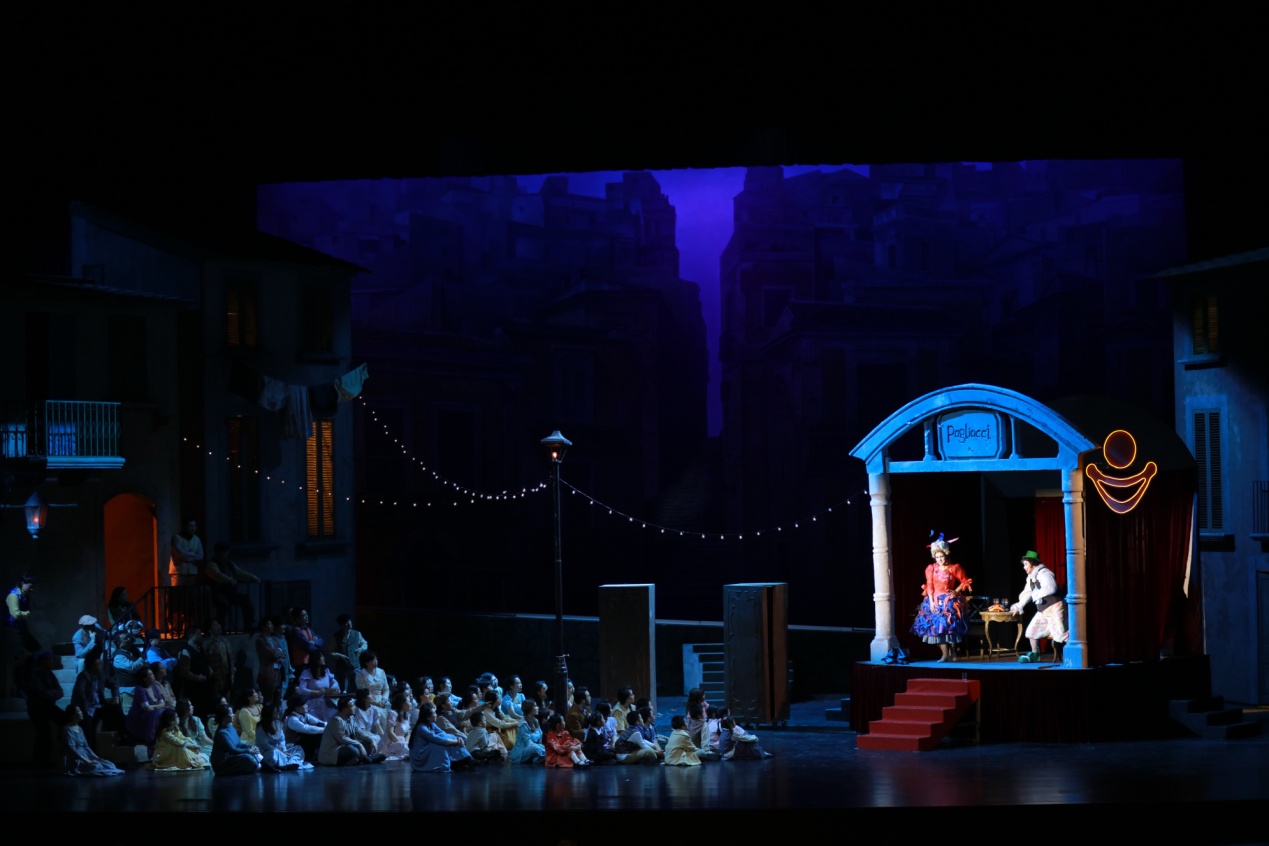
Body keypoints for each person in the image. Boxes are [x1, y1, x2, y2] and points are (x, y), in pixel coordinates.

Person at [910, 535, 972, 662]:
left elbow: (965, 581)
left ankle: (953, 651)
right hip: (935, 600)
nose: (939, 559)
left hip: (949, 600)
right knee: (937, 627)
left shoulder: (954, 568)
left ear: (946, 555)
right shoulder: (931, 569)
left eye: (941, 556)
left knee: (950, 626)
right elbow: (929, 586)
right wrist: (931, 601)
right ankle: (944, 654)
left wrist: (956, 591)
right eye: (937, 557)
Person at [1010, 550, 1069, 663]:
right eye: (1024, 565)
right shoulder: (1030, 577)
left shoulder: (1044, 573)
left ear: (1033, 563)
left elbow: (1051, 588)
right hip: (1043, 610)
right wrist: (1019, 605)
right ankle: (1035, 654)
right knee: (1031, 631)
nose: (1024, 567)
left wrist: (1037, 594)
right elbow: (1028, 593)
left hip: (1054, 608)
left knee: (1061, 633)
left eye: (1026, 564)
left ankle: (1073, 654)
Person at [203, 543, 260, 631]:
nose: (226, 554)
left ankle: (248, 625)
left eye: (227, 552)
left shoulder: (230, 564)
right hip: (216, 593)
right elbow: (217, 575)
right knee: (223, 604)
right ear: (218, 553)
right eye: (224, 552)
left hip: (230, 593)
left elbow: (239, 573)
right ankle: (220, 627)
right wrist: (230, 580)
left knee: (246, 600)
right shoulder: (212, 564)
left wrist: (252, 578)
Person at [409, 702, 475, 773]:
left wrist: (456, 738)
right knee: (439, 744)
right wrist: (456, 741)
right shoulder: (421, 728)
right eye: (434, 713)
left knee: (449, 736)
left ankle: (467, 759)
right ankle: (458, 762)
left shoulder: (432, 724)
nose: (436, 715)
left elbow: (442, 734)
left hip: (427, 750)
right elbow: (436, 739)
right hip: (420, 755)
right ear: (428, 717)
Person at [318, 695, 383, 766]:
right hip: (334, 750)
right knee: (353, 750)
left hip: (346, 746)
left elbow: (358, 732)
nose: (355, 707)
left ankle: (357, 760)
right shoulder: (336, 720)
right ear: (344, 709)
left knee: (368, 743)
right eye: (352, 706)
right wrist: (359, 745)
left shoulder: (351, 717)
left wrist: (371, 740)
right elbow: (342, 738)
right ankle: (366, 759)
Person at [25, 651, 64, 768]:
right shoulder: (34, 675)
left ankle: (60, 745)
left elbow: (60, 692)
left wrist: (50, 693)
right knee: (44, 735)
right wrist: (52, 693)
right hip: (37, 708)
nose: (52, 662)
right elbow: (41, 693)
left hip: (48, 706)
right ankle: (39, 762)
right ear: (42, 661)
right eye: (50, 660)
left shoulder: (50, 674)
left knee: (65, 718)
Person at [62, 706, 124, 776]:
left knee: (109, 764)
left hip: (86, 755)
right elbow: (72, 749)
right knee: (96, 766)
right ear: (72, 715)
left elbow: (86, 746)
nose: (81, 713)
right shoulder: (67, 729)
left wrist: (96, 757)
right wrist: (87, 761)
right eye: (79, 711)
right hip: (77, 758)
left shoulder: (79, 728)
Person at [4, 574, 38, 698]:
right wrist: (27, 613)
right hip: (12, 629)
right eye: (30, 586)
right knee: (19, 660)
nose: (32, 589)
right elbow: (16, 615)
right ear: (23, 584)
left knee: (37, 651)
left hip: (22, 628)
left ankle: (29, 682)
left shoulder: (26, 596)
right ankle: (19, 689)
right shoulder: (13, 596)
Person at [168, 519, 205, 632]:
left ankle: (188, 626)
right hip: (179, 572)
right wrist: (192, 556)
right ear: (185, 526)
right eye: (190, 526)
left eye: (194, 526)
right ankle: (175, 626)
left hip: (192, 573)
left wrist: (187, 556)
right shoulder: (176, 537)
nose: (193, 528)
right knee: (176, 599)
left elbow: (200, 556)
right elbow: (179, 553)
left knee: (189, 600)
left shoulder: (196, 539)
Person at [256, 703, 311, 771]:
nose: (277, 714)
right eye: (275, 713)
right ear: (269, 715)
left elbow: (282, 740)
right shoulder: (261, 727)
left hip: (280, 750)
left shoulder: (277, 724)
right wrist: (279, 750)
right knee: (274, 753)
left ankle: (290, 763)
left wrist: (284, 750)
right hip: (268, 751)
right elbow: (265, 744)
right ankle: (284, 764)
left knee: (298, 749)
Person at [210, 702, 260, 775]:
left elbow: (239, 743)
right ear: (224, 716)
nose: (233, 715)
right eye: (231, 713)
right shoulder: (221, 733)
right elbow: (233, 750)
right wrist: (249, 750)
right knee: (247, 757)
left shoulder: (231, 727)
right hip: (222, 764)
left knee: (254, 753)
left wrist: (251, 747)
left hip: (231, 757)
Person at [298, 652, 341, 722]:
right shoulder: (307, 672)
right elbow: (301, 689)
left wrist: (331, 688)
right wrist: (317, 692)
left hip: (327, 701)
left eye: (323, 656)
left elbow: (335, 683)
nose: (323, 658)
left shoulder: (326, 671)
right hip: (313, 703)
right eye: (321, 657)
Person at [255, 618, 287, 707]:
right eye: (269, 624)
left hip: (278, 671)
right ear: (264, 627)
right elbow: (272, 654)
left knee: (277, 696)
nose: (272, 626)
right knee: (268, 698)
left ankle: (276, 714)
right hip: (268, 673)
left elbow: (283, 652)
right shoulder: (260, 640)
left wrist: (279, 654)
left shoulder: (273, 639)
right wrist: (278, 654)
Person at [330, 614, 367, 689]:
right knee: (343, 688)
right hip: (342, 667)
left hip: (355, 666)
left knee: (357, 686)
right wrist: (340, 656)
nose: (349, 623)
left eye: (349, 621)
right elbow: (330, 652)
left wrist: (361, 649)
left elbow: (365, 643)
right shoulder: (336, 636)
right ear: (342, 624)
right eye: (346, 622)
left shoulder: (357, 634)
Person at [509, 699, 545, 764]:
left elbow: (540, 735)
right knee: (535, 748)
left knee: (541, 748)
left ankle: (540, 758)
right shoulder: (523, 724)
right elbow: (528, 743)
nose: (537, 708)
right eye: (535, 706)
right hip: (521, 751)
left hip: (531, 748)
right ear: (530, 709)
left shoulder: (535, 721)